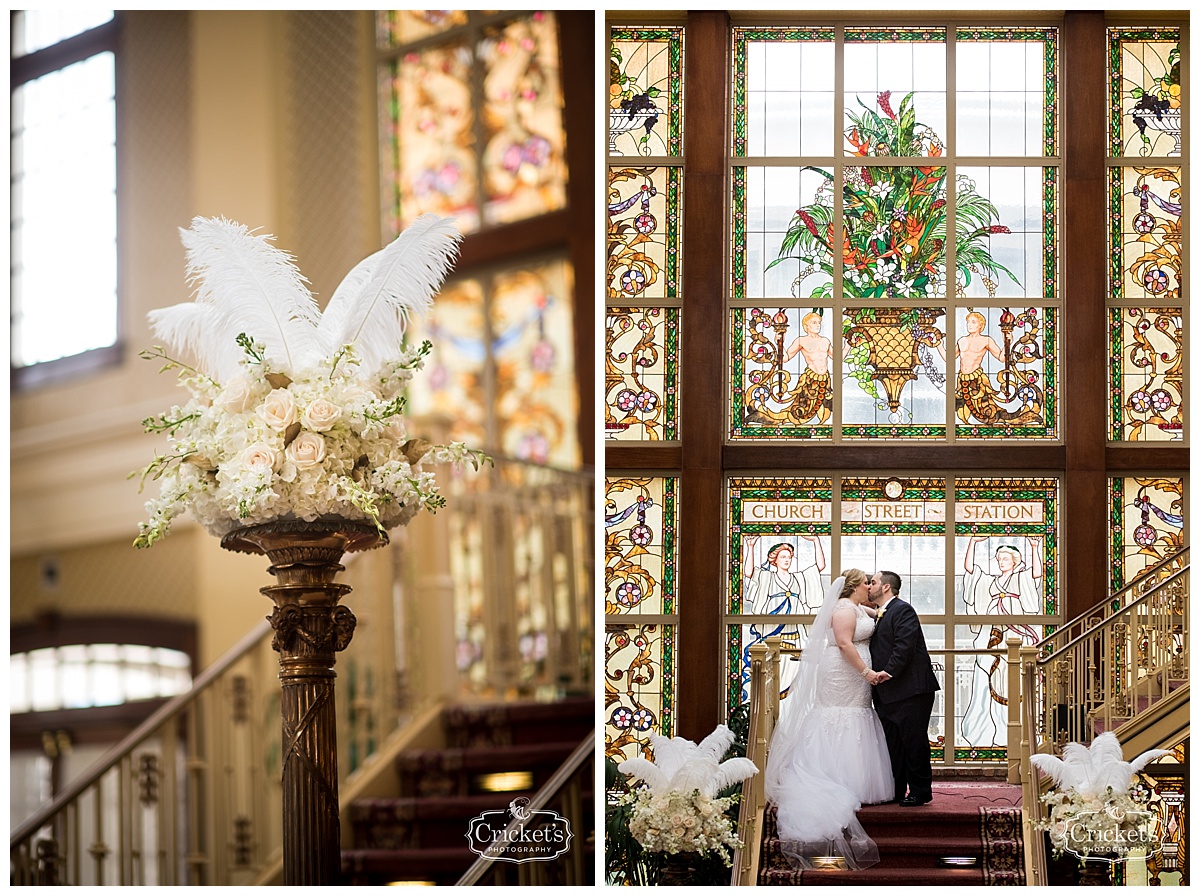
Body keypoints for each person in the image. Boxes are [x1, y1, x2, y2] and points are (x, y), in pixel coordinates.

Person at [764, 569, 892, 870]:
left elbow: (878, 610)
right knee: (836, 716)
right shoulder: (844, 609)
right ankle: (832, 776)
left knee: (856, 716)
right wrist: (867, 673)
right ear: (854, 587)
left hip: (855, 675)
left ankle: (857, 779)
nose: (869, 587)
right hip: (843, 671)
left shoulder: (861, 607)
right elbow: (845, 643)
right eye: (866, 583)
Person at [867, 570, 940, 807]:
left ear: (886, 587)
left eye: (873, 582)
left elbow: (904, 645)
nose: (869, 586)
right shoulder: (881, 613)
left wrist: (888, 671)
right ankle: (896, 790)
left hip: (911, 690)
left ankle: (920, 791)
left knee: (913, 741)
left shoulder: (903, 610)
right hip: (887, 693)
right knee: (893, 745)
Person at [741, 535, 825, 698]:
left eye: (789, 557)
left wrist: (816, 541)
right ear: (775, 559)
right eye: (783, 556)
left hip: (794, 639)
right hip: (773, 637)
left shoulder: (799, 578)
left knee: (793, 681)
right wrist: (750, 547)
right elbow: (749, 573)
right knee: (772, 680)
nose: (787, 560)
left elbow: (819, 567)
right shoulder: (768, 577)